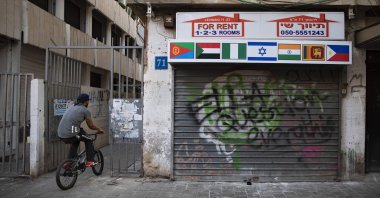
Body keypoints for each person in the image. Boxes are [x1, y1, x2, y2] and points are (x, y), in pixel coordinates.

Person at [57, 93, 104, 167]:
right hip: (71, 133)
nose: (88, 103)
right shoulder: (85, 110)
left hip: (61, 134)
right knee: (89, 140)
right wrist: (99, 129)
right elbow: (91, 126)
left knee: (76, 140)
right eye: (88, 101)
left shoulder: (71, 107)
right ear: (86, 102)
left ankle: (69, 162)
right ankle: (90, 161)